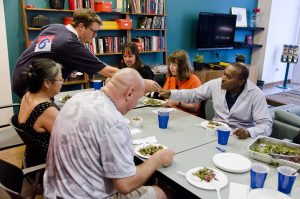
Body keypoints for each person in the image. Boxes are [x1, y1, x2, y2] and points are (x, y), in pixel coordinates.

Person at [44, 68, 175, 199]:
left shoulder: (78, 98)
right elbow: (125, 185)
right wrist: (158, 159)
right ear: (129, 93)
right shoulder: (113, 121)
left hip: (55, 192)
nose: (135, 105)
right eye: (138, 99)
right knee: (161, 193)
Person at [12, 8, 160, 98]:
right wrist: (141, 82)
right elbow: (107, 71)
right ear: (81, 26)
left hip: (19, 76)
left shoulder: (56, 27)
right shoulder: (70, 43)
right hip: (30, 85)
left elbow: (45, 46)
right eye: (93, 31)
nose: (95, 36)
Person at [160, 62, 272, 139]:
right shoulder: (216, 84)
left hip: (238, 137)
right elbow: (194, 94)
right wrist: (171, 93)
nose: (223, 79)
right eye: (224, 74)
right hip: (214, 132)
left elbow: (266, 125)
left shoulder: (256, 94)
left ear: (241, 81)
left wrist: (249, 132)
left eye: (228, 77)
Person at [15, 58, 62, 167]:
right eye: (60, 79)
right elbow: (69, 141)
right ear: (47, 83)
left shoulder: (28, 95)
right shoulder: (46, 110)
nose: (62, 81)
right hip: (48, 166)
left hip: (31, 160)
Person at [163, 50, 202, 115]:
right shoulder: (171, 78)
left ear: (183, 67)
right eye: (170, 64)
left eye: (174, 65)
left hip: (189, 117)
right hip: (173, 113)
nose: (171, 67)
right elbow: (165, 96)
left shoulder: (194, 81)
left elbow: (195, 107)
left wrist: (177, 103)